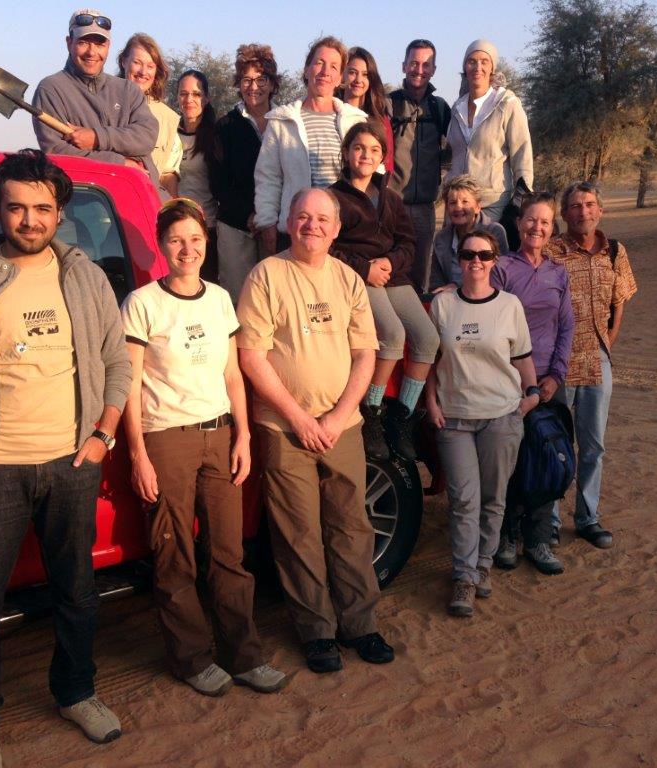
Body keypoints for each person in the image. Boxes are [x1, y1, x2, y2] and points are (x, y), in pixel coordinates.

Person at [0, 150, 132, 767]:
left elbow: (116, 361)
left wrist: (103, 435)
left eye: (42, 207)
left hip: (73, 466)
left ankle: (76, 692)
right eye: (17, 207)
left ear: (60, 212)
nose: (30, 219)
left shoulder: (86, 277)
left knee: (77, 590)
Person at [120, 198, 285, 697]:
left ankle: (244, 655)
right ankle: (191, 659)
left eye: (195, 239)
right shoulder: (142, 304)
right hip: (166, 437)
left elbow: (233, 374)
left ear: (206, 242)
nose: (186, 249)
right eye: (176, 240)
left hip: (220, 435)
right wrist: (138, 455)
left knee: (229, 553)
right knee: (174, 556)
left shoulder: (219, 299)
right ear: (161, 245)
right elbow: (129, 385)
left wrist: (243, 435)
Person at [237, 187, 394, 673]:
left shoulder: (347, 280)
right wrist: (299, 419)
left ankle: (360, 624)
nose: (313, 226)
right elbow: (251, 356)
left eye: (323, 219)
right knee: (298, 534)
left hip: (342, 425)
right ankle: (318, 632)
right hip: (284, 428)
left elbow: (365, 354)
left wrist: (336, 416)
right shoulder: (267, 275)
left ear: (337, 228)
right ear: (289, 222)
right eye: (303, 217)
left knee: (352, 528)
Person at [425, 229, 539, 618]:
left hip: (501, 416)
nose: (476, 261)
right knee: (463, 500)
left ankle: (483, 566)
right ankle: (463, 576)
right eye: (469, 254)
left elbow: (522, 358)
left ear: (495, 260)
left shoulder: (509, 306)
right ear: (459, 259)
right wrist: (431, 401)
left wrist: (531, 396)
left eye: (484, 255)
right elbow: (430, 360)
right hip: (455, 417)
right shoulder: (442, 305)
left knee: (493, 498)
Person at [329, 121, 439, 462]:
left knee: (428, 338)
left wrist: (391, 261)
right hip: (359, 277)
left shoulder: (391, 198)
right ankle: (372, 411)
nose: (366, 155)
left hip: (393, 275)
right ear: (346, 153)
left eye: (374, 150)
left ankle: (402, 416)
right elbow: (329, 248)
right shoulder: (333, 198)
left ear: (382, 158)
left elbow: (408, 241)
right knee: (391, 334)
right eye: (359, 148)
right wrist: (366, 269)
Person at [546, 181, 637, 549]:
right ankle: (548, 520)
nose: (583, 211)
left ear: (600, 210)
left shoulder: (615, 250)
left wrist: (610, 338)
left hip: (598, 357)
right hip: (559, 359)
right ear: (564, 214)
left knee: (593, 444)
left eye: (589, 204)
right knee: (555, 442)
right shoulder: (551, 251)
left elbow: (620, 298)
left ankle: (587, 517)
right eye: (575, 206)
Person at [490, 193, 574, 574]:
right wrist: (521, 382)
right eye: (530, 220)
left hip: (549, 382)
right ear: (518, 223)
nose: (536, 227)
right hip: (510, 383)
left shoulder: (558, 273)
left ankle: (538, 539)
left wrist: (555, 376)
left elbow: (566, 327)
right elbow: (494, 325)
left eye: (544, 222)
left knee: (546, 457)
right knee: (512, 460)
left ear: (552, 229)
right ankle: (508, 536)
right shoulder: (503, 269)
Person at [254, 36, 366, 257]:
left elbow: (370, 176)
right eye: (319, 63)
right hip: (297, 231)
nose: (325, 72)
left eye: (333, 66)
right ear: (306, 70)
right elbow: (268, 177)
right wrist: (267, 224)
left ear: (340, 78)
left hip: (344, 234)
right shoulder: (281, 121)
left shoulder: (356, 122)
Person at [32, 10, 159, 180]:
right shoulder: (51, 89)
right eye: (83, 42)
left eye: (99, 44)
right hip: (89, 193)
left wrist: (97, 137)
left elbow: (147, 137)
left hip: (144, 190)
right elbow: (57, 151)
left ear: (108, 47)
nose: (91, 52)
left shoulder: (128, 90)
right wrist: (119, 163)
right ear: (69, 43)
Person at [213, 43, 280, 303]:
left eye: (261, 79)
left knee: (272, 299)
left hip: (275, 225)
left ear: (272, 83)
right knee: (238, 298)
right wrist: (249, 215)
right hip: (236, 225)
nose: (254, 87)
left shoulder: (285, 122)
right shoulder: (225, 126)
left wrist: (266, 216)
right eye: (246, 80)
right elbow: (218, 183)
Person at [387, 39, 452, 293]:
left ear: (434, 70)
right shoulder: (388, 104)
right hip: (393, 206)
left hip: (426, 207)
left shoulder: (439, 107)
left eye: (426, 65)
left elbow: (456, 145)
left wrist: (439, 171)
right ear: (404, 66)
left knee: (421, 274)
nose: (419, 70)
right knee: (392, 270)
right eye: (414, 63)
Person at [447, 40, 533, 222]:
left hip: (492, 204)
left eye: (484, 61)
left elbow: (522, 154)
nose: (477, 67)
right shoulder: (457, 109)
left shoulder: (507, 104)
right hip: (457, 204)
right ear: (465, 67)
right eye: (472, 61)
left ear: (492, 67)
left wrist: (521, 200)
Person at [117, 32, 182, 191]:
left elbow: (167, 174)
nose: (143, 72)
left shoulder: (169, 119)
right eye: (137, 63)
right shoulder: (102, 102)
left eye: (150, 66)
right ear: (124, 61)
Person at [175, 70, 220, 282]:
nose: (189, 99)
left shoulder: (216, 136)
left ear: (207, 98)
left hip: (206, 226)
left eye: (196, 94)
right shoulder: (168, 132)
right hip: (174, 223)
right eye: (183, 94)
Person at [430, 174, 508, 292]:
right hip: (449, 297)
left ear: (477, 207)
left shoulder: (494, 232)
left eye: (465, 201)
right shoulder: (441, 237)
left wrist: (458, 287)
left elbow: (499, 276)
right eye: (452, 203)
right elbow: (435, 280)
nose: (458, 207)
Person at [339, 47, 395, 174]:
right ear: (342, 75)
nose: (358, 80)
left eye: (365, 75)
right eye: (352, 72)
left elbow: (388, 165)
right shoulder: (332, 113)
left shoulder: (381, 119)